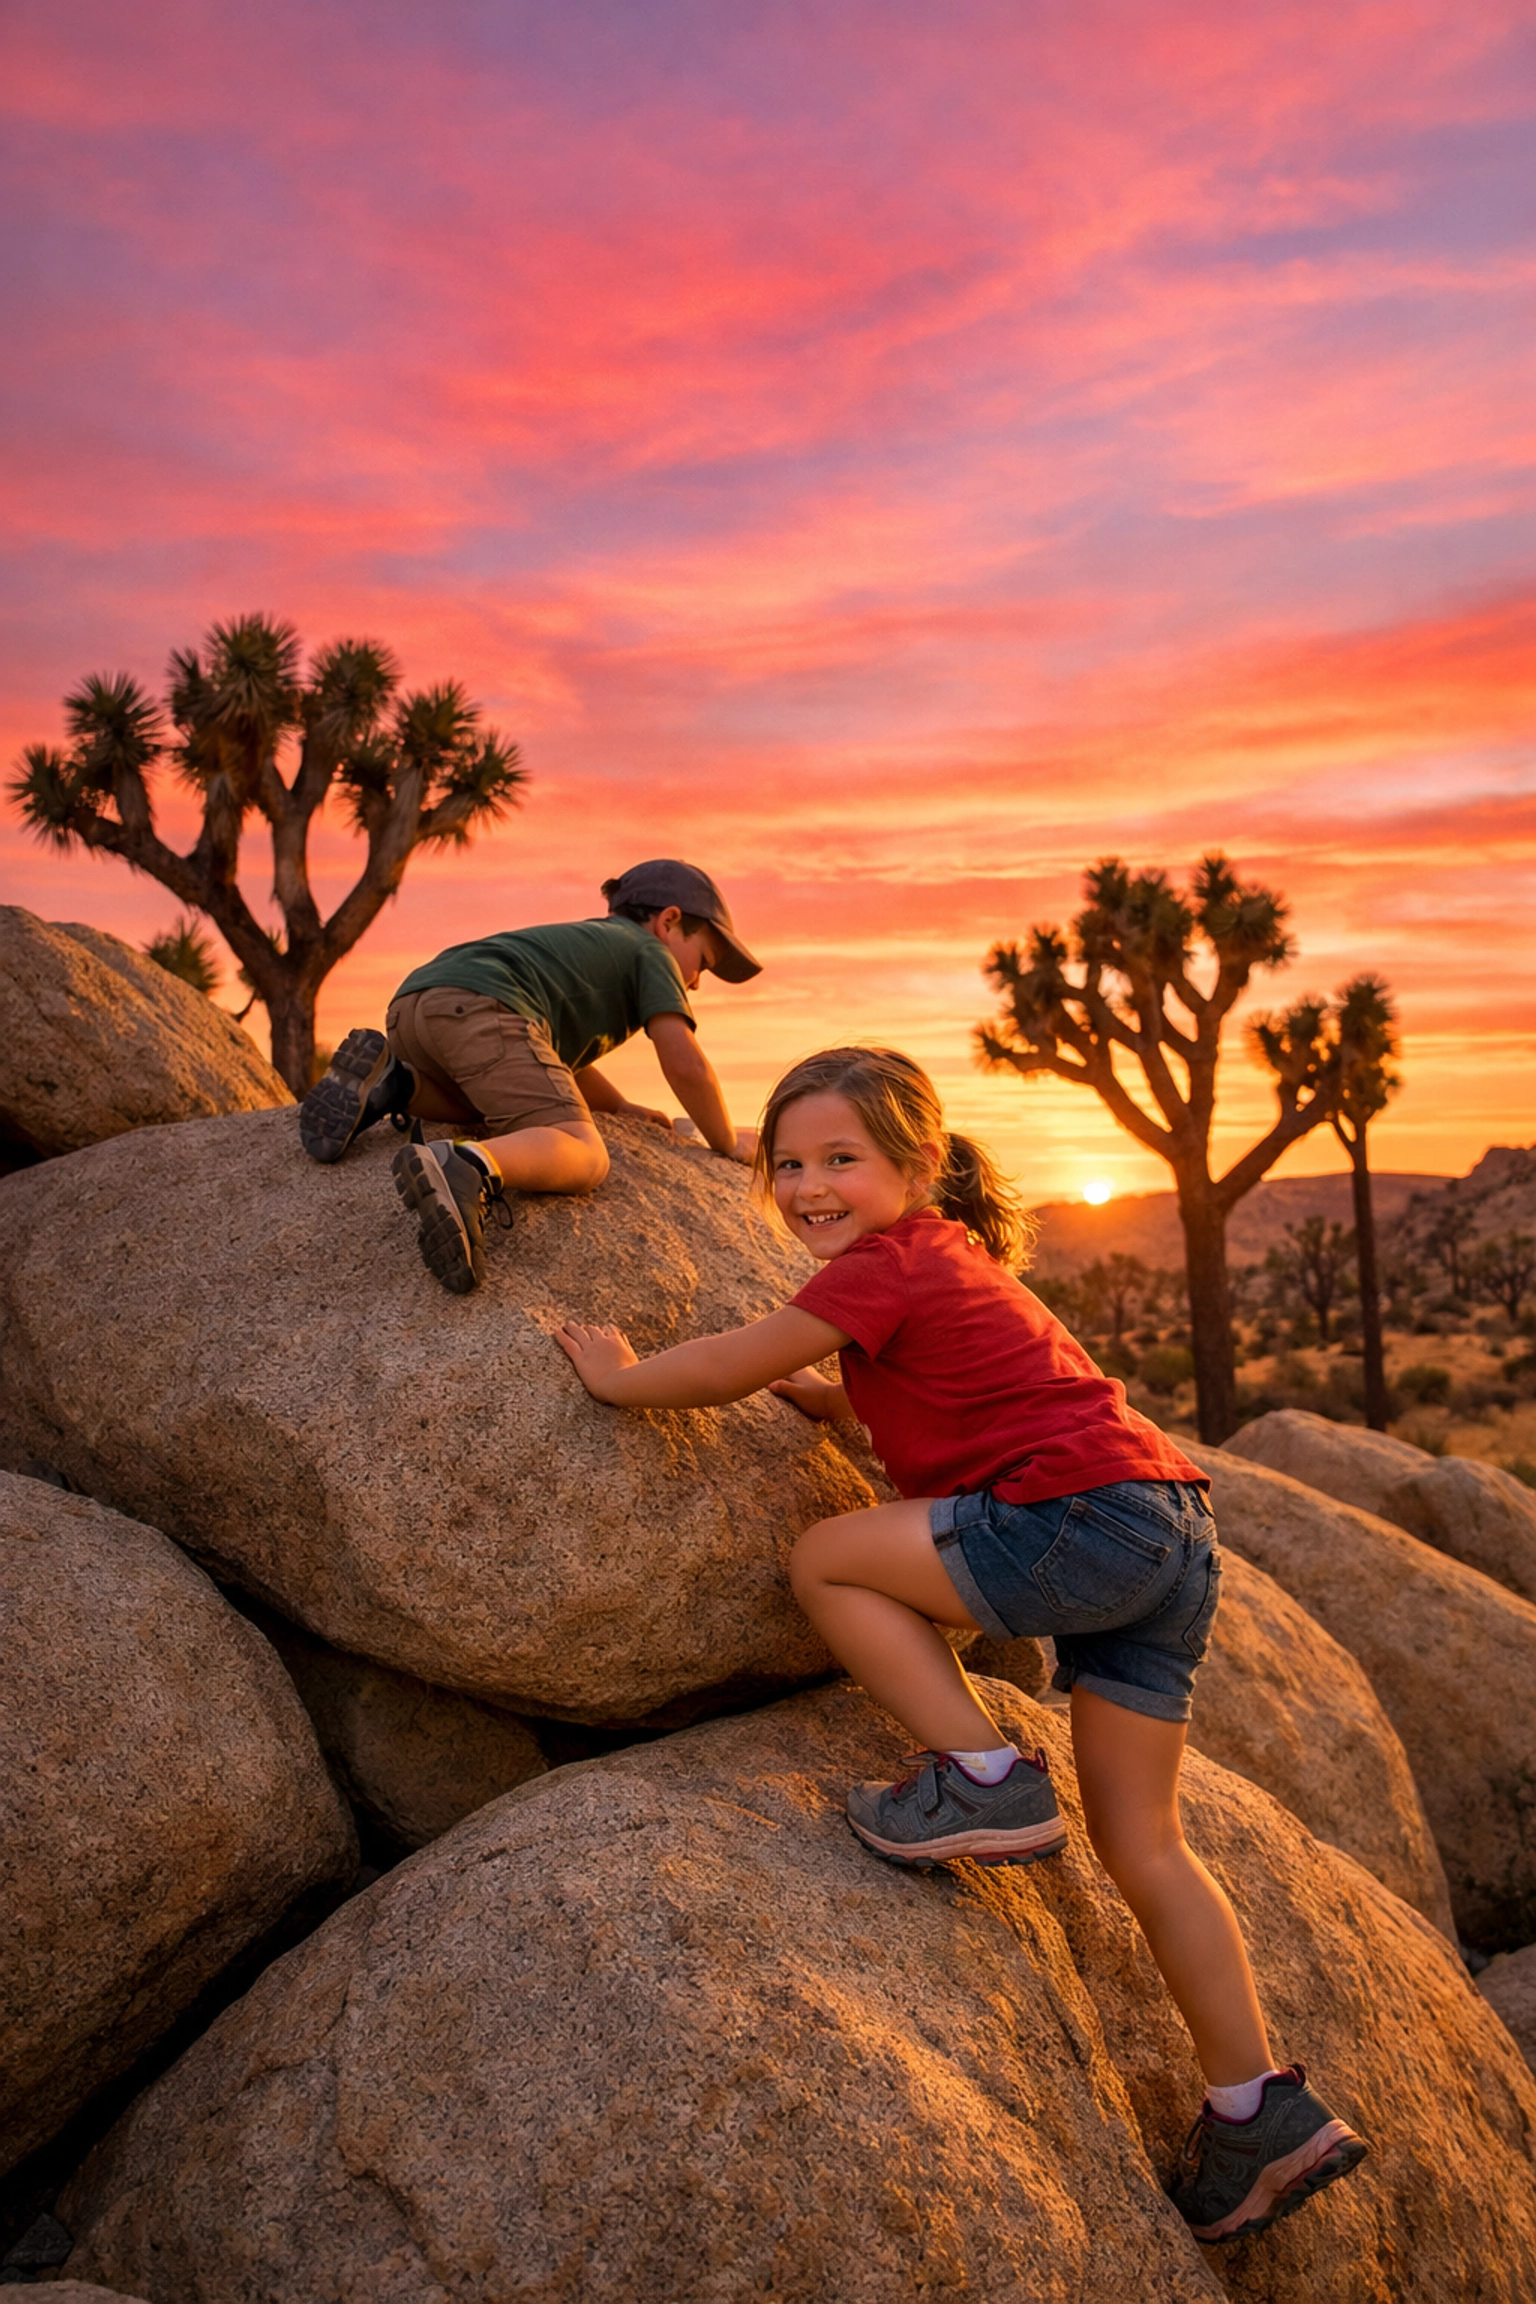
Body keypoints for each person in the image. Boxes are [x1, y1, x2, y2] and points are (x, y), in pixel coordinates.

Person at [554, 1043, 1368, 2245]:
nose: (808, 1183)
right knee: (1147, 1847)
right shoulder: (949, 1264)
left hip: (1080, 1522)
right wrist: (831, 1400)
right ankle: (1257, 2109)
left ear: (917, 1167)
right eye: (787, 1163)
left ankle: (983, 1776)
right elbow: (942, 1388)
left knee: (826, 1557)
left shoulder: (888, 1261)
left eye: (842, 1158)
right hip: (1169, 1533)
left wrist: (622, 1380)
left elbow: (733, 1361)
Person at [298, 860, 762, 1294]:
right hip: (486, 1010)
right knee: (583, 1152)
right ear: (669, 922)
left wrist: (619, 1107)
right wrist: (725, 1139)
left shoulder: (587, 949)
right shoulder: (649, 952)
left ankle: (393, 1083)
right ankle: (464, 1166)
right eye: (702, 961)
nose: (698, 982)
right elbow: (685, 1063)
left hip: (416, 1005)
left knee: (486, 1102)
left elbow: (547, 1063)